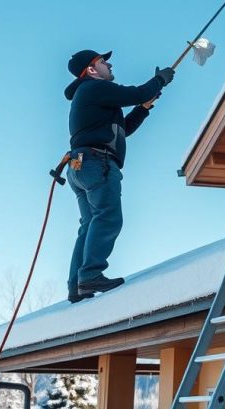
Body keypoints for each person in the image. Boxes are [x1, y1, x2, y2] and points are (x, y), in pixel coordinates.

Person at [63, 50, 176, 302]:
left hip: (81, 165)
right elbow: (135, 93)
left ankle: (77, 285)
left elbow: (123, 130)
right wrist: (159, 80)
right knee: (108, 217)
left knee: (90, 222)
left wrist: (143, 109)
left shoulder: (90, 94)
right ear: (91, 70)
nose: (109, 64)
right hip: (96, 162)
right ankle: (90, 274)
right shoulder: (94, 87)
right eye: (103, 62)